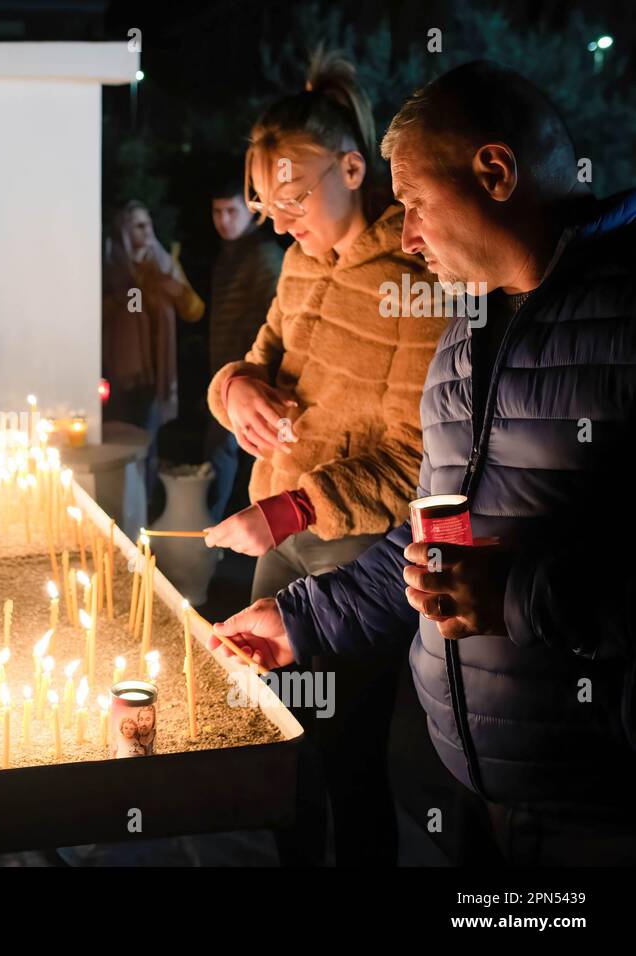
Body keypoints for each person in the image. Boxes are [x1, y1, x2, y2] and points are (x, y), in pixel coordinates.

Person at [212, 61, 636, 865]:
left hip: (598, 803)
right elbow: (430, 538)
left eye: (415, 206)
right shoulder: (463, 341)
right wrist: (298, 622)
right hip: (482, 783)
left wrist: (519, 594)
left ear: (496, 171)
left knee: (345, 772)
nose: (407, 234)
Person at [204, 51, 446, 865]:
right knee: (280, 745)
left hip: (355, 560)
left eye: (292, 197)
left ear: (353, 166)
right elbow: (254, 361)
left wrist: (291, 507)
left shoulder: (419, 279)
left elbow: (416, 461)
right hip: (275, 546)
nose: (278, 220)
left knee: (347, 758)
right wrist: (235, 390)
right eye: (265, 204)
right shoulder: (302, 263)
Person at [102, 201, 205, 507]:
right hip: (119, 372)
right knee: (119, 444)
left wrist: (171, 287)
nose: (147, 232)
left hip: (155, 372)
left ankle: (140, 514)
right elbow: (108, 313)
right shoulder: (111, 264)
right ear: (124, 230)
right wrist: (124, 297)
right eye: (138, 226)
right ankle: (119, 511)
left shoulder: (162, 263)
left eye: (148, 224)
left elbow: (194, 310)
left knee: (146, 444)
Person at [204, 172, 285, 518]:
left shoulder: (263, 255)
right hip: (229, 377)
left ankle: (216, 532)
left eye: (231, 211)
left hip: (251, 378)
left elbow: (276, 322)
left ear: (251, 211)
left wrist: (251, 371)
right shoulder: (230, 254)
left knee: (231, 455)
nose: (223, 220)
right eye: (217, 212)